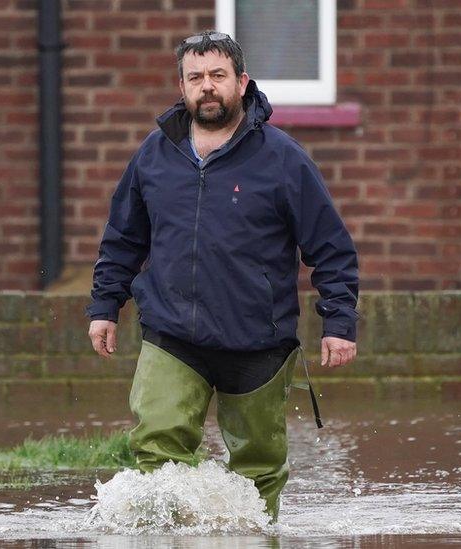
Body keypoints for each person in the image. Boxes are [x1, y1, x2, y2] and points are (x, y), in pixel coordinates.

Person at [84, 30, 359, 522]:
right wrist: (105, 307)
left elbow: (331, 248)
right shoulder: (154, 154)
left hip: (258, 339)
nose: (206, 87)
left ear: (241, 82)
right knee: (158, 455)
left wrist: (339, 323)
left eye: (217, 76)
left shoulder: (282, 158)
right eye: (195, 78)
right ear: (183, 86)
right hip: (172, 334)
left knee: (258, 473)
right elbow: (123, 239)